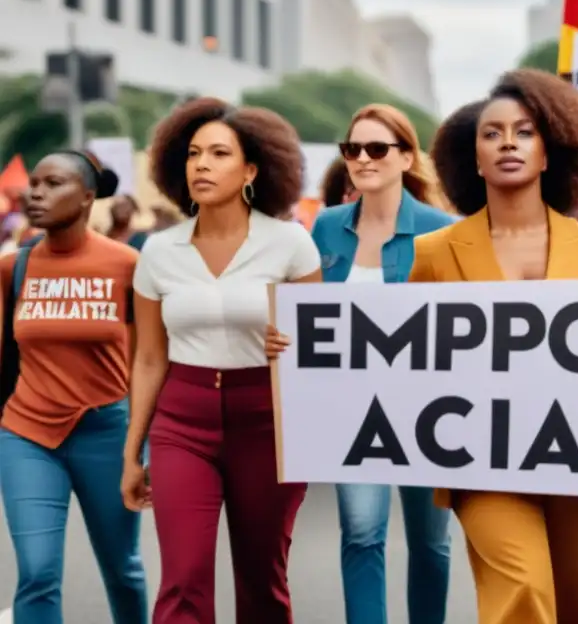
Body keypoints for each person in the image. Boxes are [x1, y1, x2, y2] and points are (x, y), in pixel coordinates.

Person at [416, 69, 578, 624]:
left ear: (550, 154)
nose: (507, 142)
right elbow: (407, 358)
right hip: (482, 461)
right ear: (472, 157)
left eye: (524, 132)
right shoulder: (432, 254)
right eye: (492, 133)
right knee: (522, 591)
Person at [120, 98, 322, 624]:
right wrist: (131, 451)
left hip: (268, 421)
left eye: (218, 153)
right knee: (182, 580)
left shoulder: (291, 245)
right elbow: (147, 358)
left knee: (262, 580)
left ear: (252, 170)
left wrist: (292, 344)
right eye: (192, 154)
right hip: (181, 424)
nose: (201, 165)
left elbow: (320, 344)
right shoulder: (159, 251)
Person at [269, 103, 455, 624]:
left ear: (406, 156)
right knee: (361, 533)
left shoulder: (443, 231)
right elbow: (302, 311)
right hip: (354, 414)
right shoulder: (325, 228)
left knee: (430, 543)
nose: (363, 158)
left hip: (428, 414)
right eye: (353, 149)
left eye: (377, 148)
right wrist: (280, 336)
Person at [0, 151, 148, 623]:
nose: (35, 193)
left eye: (53, 183)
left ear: (88, 197)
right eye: (35, 183)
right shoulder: (13, 269)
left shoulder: (128, 264)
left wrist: (141, 444)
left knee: (122, 569)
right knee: (37, 573)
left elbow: (148, 360)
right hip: (26, 435)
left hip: (107, 433)